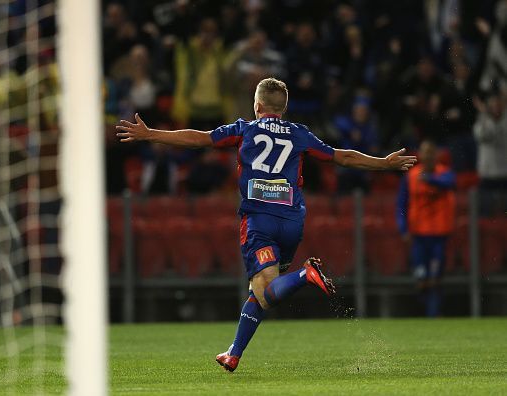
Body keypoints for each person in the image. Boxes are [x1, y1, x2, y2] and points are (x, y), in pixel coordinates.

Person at [117, 78, 416, 372]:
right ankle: (234, 352)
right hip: (292, 221)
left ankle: (305, 275)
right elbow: (343, 157)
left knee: (266, 289)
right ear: (282, 109)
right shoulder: (299, 134)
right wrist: (384, 163)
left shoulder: (245, 129)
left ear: (257, 105)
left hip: (259, 219)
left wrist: (151, 134)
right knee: (261, 288)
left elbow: (200, 138)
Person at [396, 140, 456, 318]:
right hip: (419, 236)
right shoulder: (411, 176)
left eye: (431, 152)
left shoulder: (444, 173)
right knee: (421, 279)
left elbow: (450, 183)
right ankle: (428, 311)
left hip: (439, 234)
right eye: (425, 152)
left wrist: (429, 179)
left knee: (435, 279)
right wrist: (402, 228)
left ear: (436, 155)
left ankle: (433, 314)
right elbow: (401, 204)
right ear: (420, 155)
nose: (428, 156)